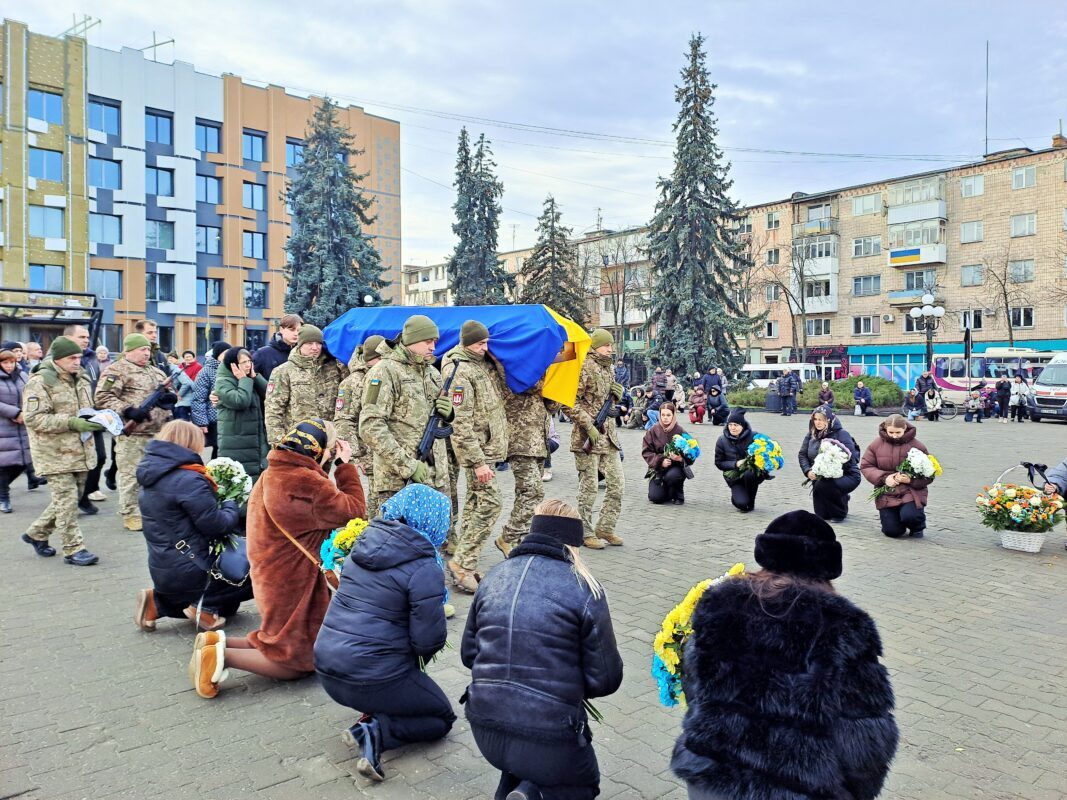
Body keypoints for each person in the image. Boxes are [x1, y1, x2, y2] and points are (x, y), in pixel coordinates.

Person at [672, 510, 898, 800]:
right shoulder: (842, 626)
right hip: (797, 789)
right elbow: (864, 738)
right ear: (828, 565)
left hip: (710, 777)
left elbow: (695, 684)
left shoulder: (718, 604)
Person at [190, 419, 365, 699]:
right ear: (319, 451)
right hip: (293, 579)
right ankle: (221, 656)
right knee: (295, 660)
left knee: (277, 639)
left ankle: (214, 641)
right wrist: (345, 467)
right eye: (330, 449)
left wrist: (327, 463)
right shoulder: (306, 484)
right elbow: (354, 510)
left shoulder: (276, 471)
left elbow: (314, 500)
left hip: (269, 570)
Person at [462, 500, 623, 800]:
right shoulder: (585, 588)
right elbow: (606, 680)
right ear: (575, 544)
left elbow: (469, 655)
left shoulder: (494, 576)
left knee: (521, 762)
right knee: (584, 785)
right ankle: (533, 794)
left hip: (484, 725)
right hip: (549, 734)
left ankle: (522, 790)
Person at [315, 484, 455, 782]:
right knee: (442, 717)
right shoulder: (424, 566)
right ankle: (373, 732)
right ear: (433, 519)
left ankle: (371, 721)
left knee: (406, 693)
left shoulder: (363, 545)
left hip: (327, 666)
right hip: (372, 676)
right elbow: (427, 641)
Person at [133, 421, 252, 632]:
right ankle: (204, 607)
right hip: (193, 569)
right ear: (192, 442)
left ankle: (156, 604)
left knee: (228, 607)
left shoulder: (152, 475)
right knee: (256, 568)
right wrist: (230, 503)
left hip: (165, 569)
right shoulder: (189, 479)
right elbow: (218, 526)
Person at [20, 337, 101, 566]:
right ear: (57, 359)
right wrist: (71, 422)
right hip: (53, 453)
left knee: (70, 499)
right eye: (71, 358)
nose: (77, 361)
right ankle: (74, 549)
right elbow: (34, 418)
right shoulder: (40, 381)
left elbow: (87, 408)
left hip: (80, 450)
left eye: (79, 357)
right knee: (66, 500)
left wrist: (99, 419)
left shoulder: (82, 378)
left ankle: (37, 533)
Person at [359, 315, 454, 508]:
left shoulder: (432, 373)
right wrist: (408, 466)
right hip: (399, 482)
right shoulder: (384, 372)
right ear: (411, 340)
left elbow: (436, 423)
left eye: (435, 342)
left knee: (441, 528)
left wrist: (449, 415)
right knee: (400, 528)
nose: (433, 348)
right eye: (428, 341)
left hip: (436, 479)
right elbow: (370, 426)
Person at [442, 321, 508, 593]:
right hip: (476, 453)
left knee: (473, 504)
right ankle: (461, 564)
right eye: (480, 343)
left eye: (486, 342)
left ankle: (466, 563)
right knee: (492, 503)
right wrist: (478, 462)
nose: (485, 347)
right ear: (467, 342)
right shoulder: (459, 370)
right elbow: (460, 423)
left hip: (485, 450)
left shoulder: (478, 364)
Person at [95, 333, 176, 531]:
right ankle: (131, 514)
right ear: (129, 350)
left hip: (159, 433)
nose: (147, 353)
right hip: (134, 434)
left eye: (148, 349)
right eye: (142, 349)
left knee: (159, 475)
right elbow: (102, 397)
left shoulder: (155, 371)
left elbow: (170, 392)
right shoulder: (116, 370)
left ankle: (153, 511)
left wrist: (169, 398)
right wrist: (127, 410)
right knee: (131, 475)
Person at [565, 329, 625, 550]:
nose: (610, 349)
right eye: (606, 345)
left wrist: (615, 402)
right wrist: (588, 425)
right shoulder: (584, 366)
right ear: (596, 345)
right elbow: (568, 402)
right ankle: (585, 532)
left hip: (608, 437)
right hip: (587, 437)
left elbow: (603, 402)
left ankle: (605, 527)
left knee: (617, 485)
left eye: (611, 345)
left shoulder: (609, 368)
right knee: (588, 489)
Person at [264, 324, 347, 445]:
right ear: (300, 344)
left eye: (318, 343)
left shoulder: (335, 367)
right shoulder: (283, 371)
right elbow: (273, 410)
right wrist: (279, 443)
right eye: (309, 343)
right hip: (299, 442)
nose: (315, 348)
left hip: (329, 441)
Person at [499, 377, 554, 556]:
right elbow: (527, 385)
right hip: (521, 442)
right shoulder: (521, 371)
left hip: (538, 443)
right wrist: (550, 380)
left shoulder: (544, 376)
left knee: (526, 494)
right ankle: (508, 537)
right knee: (533, 492)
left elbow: (552, 407)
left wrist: (558, 390)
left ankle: (520, 539)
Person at [334, 334, 385, 518]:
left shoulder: (386, 375)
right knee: (373, 502)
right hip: (368, 454)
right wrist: (356, 456)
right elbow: (344, 420)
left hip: (388, 451)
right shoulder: (352, 383)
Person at [860, 414, 932, 539]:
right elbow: (866, 466)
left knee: (910, 516)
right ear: (885, 429)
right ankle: (896, 522)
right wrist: (884, 478)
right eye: (891, 432)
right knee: (892, 532)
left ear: (905, 428)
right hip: (887, 492)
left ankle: (917, 525)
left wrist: (911, 480)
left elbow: (930, 474)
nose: (894, 436)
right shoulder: (876, 445)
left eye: (898, 432)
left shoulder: (918, 446)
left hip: (911, 491)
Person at [63, 324, 108, 510]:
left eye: (87, 337)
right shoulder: (59, 359)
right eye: (81, 337)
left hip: (92, 415)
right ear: (68, 338)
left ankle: (85, 493)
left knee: (100, 457)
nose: (86, 340)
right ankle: (71, 499)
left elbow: (96, 386)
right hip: (71, 421)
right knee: (75, 463)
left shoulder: (91, 359)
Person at [798, 405, 861, 522]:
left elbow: (851, 457)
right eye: (815, 419)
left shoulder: (842, 434)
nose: (818, 423)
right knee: (821, 514)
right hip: (821, 476)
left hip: (847, 474)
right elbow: (802, 455)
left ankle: (840, 512)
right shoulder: (811, 434)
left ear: (829, 420)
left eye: (821, 419)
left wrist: (831, 467)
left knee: (824, 485)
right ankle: (839, 496)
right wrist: (808, 471)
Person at [215, 347, 269, 481]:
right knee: (240, 479)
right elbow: (240, 401)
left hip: (254, 437)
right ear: (233, 364)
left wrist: (255, 377)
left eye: (249, 361)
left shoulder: (249, 378)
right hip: (236, 441)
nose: (248, 365)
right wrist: (244, 380)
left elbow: (270, 395)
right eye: (243, 362)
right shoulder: (223, 382)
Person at [714, 409, 765, 513]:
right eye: (730, 424)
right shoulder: (722, 440)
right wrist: (735, 464)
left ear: (742, 426)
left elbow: (764, 453)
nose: (732, 428)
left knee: (749, 474)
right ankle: (739, 498)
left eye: (736, 425)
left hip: (751, 474)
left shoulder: (754, 437)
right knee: (741, 504)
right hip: (734, 477)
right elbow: (719, 463)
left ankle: (751, 501)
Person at [0, 349, 31, 513]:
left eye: (11, 362)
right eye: (5, 362)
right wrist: (15, 412)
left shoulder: (23, 376)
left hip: (22, 425)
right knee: (4, 465)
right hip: (3, 426)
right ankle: (3, 498)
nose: (9, 366)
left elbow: (31, 395)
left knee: (22, 463)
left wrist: (26, 412)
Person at [643, 402, 689, 505]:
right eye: (663, 415)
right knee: (655, 498)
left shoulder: (680, 430)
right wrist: (660, 461)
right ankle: (667, 492)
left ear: (673, 415)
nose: (665, 418)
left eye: (668, 415)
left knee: (673, 477)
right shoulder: (653, 430)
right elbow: (646, 451)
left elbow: (691, 452)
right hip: (658, 468)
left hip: (676, 467)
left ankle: (678, 493)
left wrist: (680, 458)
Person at [191, 341, 229, 461]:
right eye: (225, 353)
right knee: (218, 449)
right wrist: (202, 422)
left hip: (228, 417)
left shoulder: (231, 368)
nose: (227, 356)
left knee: (224, 449)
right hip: (214, 419)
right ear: (217, 354)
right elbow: (198, 398)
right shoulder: (206, 371)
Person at [252, 313, 303, 380]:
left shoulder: (303, 353)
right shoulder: (262, 354)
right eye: (292, 329)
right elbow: (252, 378)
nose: (296, 333)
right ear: (281, 329)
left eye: (298, 330)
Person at [169, 352, 196, 422]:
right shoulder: (180, 367)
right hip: (184, 400)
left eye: (172, 358)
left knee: (182, 423)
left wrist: (179, 394)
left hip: (185, 401)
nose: (170, 360)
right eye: (169, 358)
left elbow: (187, 383)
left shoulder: (176, 370)